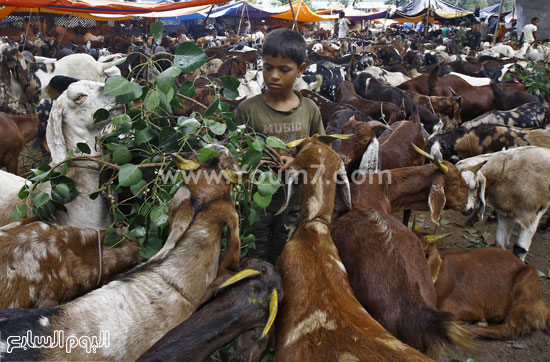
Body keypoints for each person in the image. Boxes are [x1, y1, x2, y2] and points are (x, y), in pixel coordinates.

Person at [235, 28, 324, 264]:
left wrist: (299, 161)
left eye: (284, 70)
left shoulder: (310, 110)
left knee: (286, 258)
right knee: (254, 257)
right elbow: (237, 154)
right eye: (267, 67)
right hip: (257, 204)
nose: (274, 75)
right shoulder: (248, 110)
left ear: (300, 70)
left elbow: (319, 152)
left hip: (294, 203)